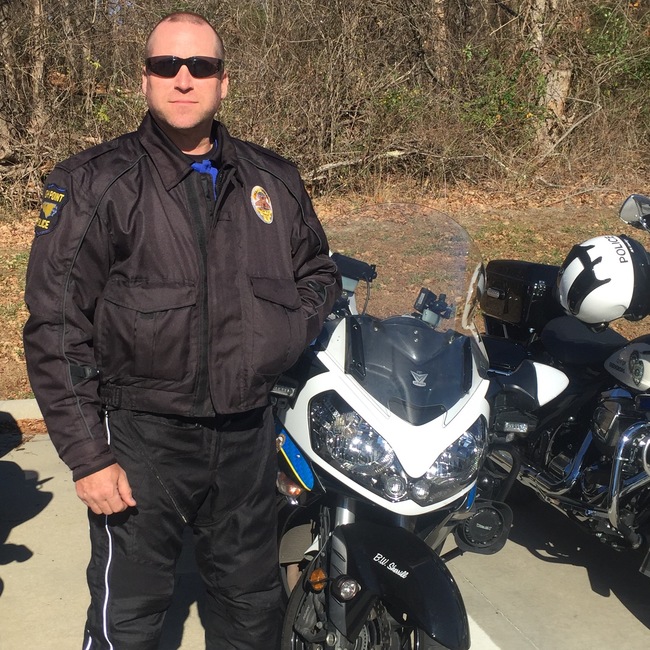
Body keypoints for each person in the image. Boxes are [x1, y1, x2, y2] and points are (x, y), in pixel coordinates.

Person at [22, 11, 341, 650]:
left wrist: (280, 332)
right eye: (167, 65)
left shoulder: (272, 179)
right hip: (142, 439)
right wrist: (89, 457)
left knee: (252, 610)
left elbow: (318, 273)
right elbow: (56, 327)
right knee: (129, 615)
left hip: (247, 437)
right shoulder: (94, 183)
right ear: (144, 79)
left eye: (202, 65)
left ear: (225, 82)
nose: (184, 78)